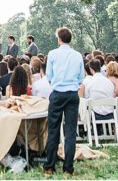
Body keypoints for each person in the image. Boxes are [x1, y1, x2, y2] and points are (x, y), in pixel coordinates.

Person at [42, 27, 83, 176]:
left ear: (59, 39)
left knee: (53, 130)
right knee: (70, 132)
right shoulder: (77, 55)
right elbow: (81, 77)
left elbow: (49, 76)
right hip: (72, 93)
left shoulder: (52, 54)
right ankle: (68, 168)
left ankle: (49, 166)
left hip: (58, 93)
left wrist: (57, 83)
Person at [79, 59, 116, 136]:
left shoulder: (89, 82)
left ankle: (87, 132)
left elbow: (86, 98)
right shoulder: (108, 82)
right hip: (111, 112)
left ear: (91, 69)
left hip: (96, 114)